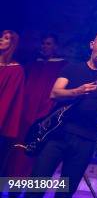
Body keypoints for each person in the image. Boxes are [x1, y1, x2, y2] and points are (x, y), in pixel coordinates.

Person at [29, 31, 97, 197]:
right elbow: (55, 93)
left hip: (86, 140)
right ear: (92, 45)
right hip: (58, 135)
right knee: (37, 183)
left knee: (66, 191)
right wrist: (77, 91)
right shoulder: (72, 68)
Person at [8, 34, 68, 177]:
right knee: (18, 153)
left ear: (55, 47)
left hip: (45, 115)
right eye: (43, 43)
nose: (44, 46)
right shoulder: (33, 64)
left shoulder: (61, 66)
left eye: (48, 44)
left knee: (37, 155)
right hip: (26, 114)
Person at [0, 30, 25, 173]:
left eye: (6, 38)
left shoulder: (16, 71)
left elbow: (7, 103)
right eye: (1, 36)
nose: (1, 39)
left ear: (12, 44)